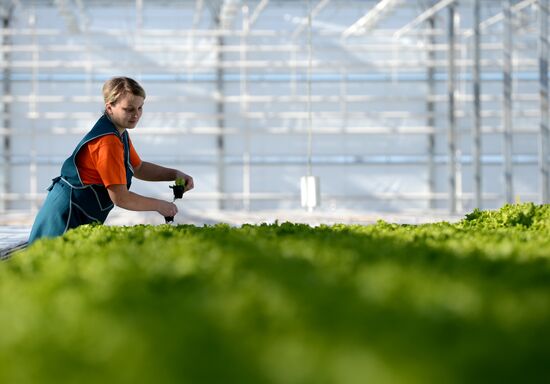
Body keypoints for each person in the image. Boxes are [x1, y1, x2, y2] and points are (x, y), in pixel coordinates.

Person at [28, 76, 194, 243]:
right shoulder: (107, 142)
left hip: (79, 212)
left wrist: (175, 174)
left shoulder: (120, 133)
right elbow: (121, 198)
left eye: (140, 108)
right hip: (65, 216)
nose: (136, 114)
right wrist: (160, 206)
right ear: (109, 108)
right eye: (128, 109)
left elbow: (139, 168)